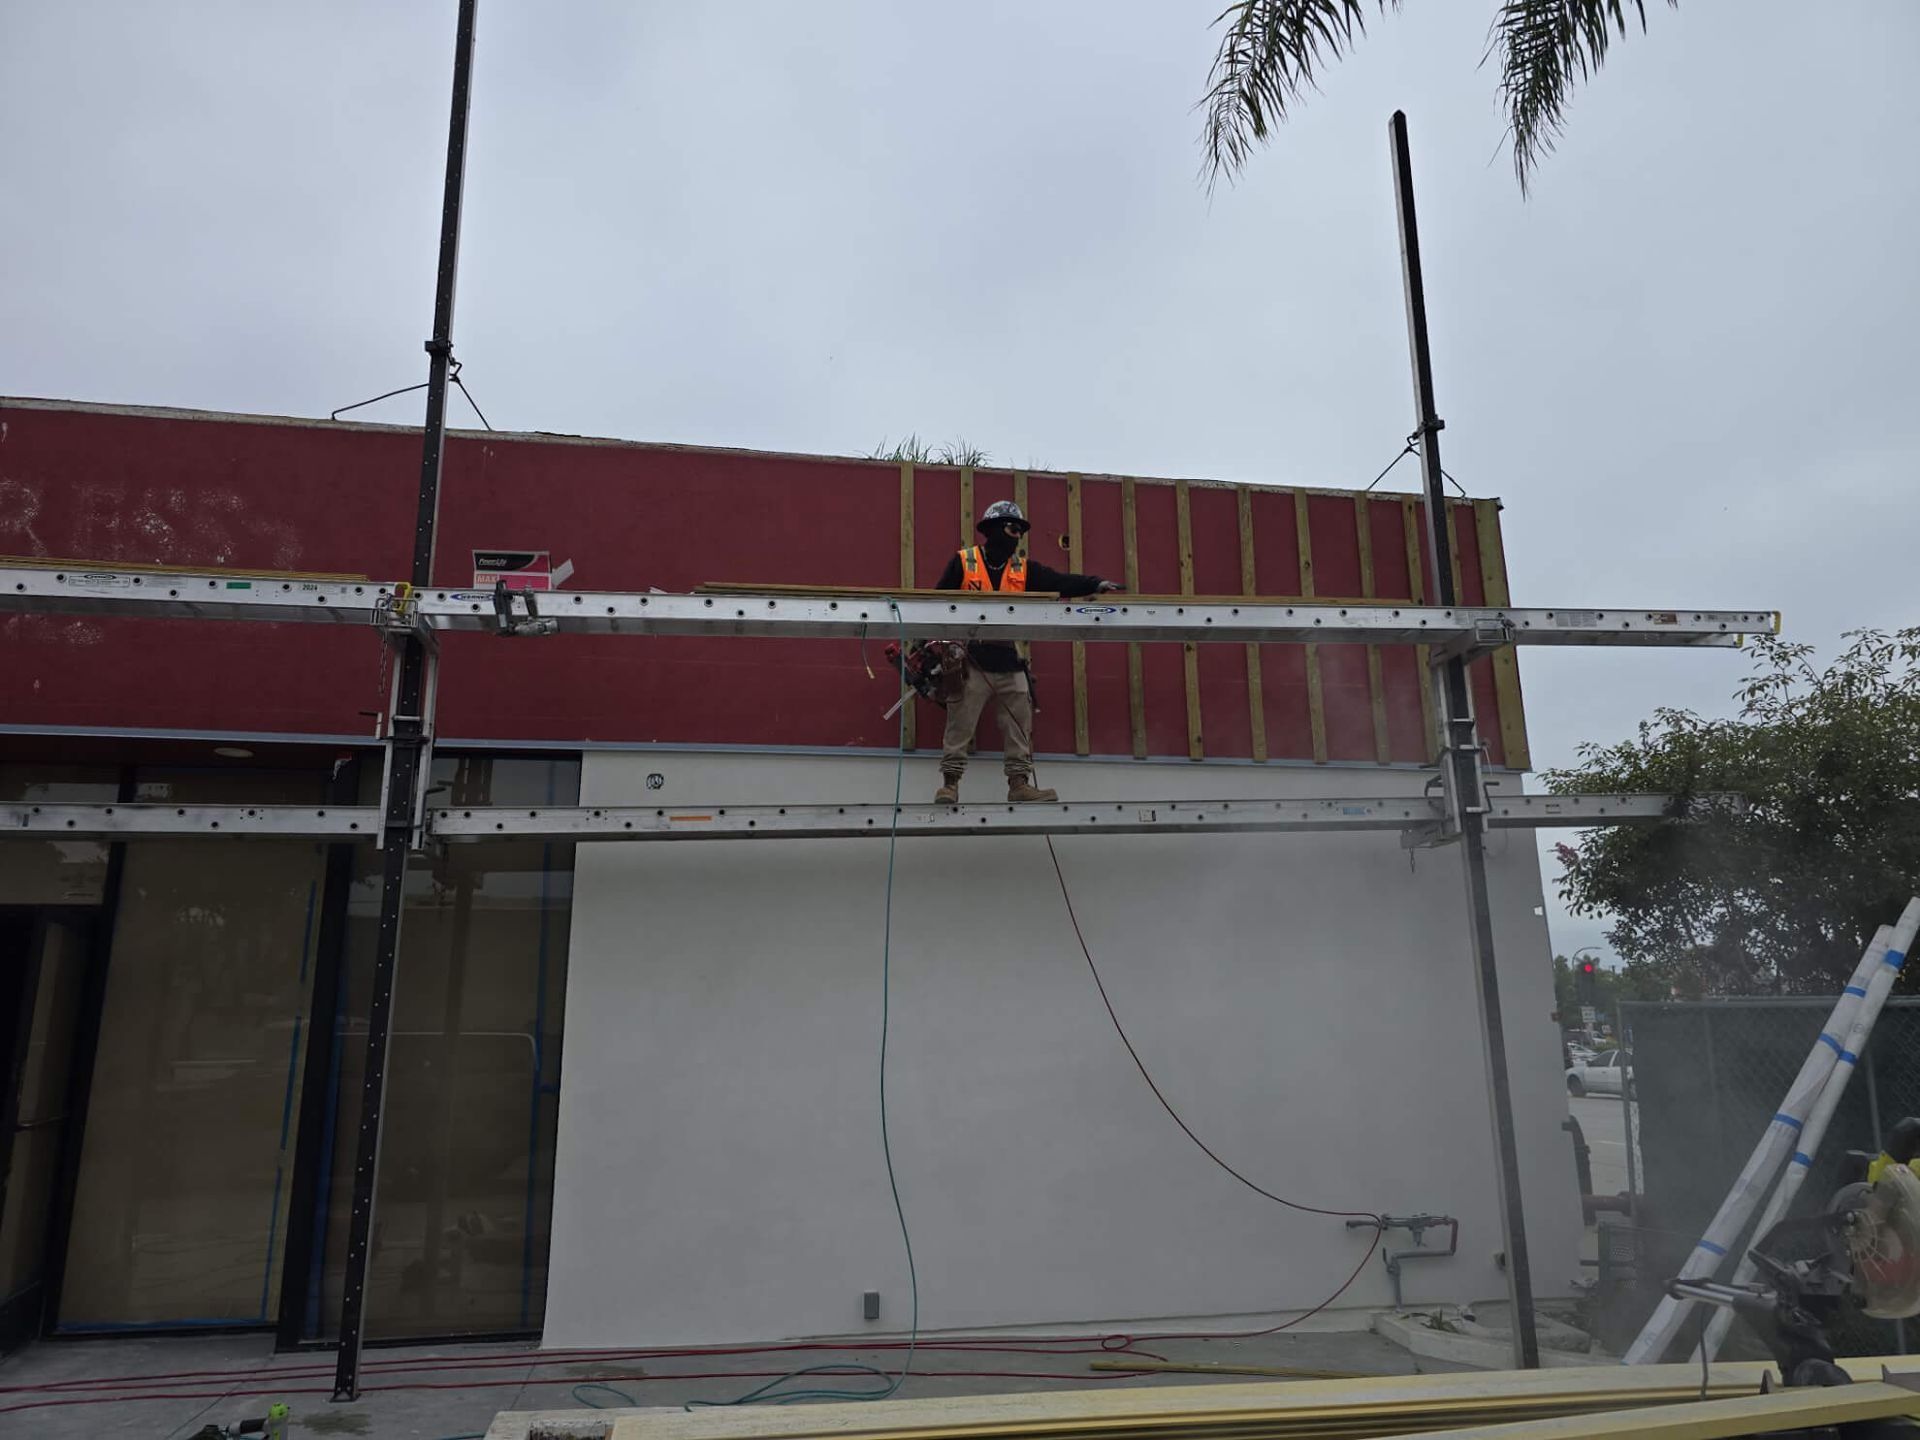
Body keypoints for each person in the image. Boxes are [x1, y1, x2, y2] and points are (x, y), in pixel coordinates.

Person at [930, 500, 1120, 804]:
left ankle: (1019, 785)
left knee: (1019, 725)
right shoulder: (963, 562)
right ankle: (950, 785)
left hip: (1008, 660)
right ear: (993, 529)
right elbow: (935, 605)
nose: (1017, 536)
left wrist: (1094, 583)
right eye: (1012, 528)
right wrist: (928, 645)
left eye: (1020, 531)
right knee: (960, 722)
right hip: (972, 659)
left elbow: (1060, 582)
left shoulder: (1023, 569)